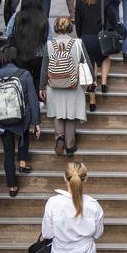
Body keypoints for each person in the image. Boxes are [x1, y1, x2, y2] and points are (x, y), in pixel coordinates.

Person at [0, 46, 41, 197]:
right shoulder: (24, 74)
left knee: (8, 153)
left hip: (2, 121)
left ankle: (12, 186)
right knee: (24, 134)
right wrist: (36, 123)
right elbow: (32, 100)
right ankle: (23, 162)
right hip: (21, 119)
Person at [42, 162, 104, 253]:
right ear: (85, 179)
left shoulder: (52, 203)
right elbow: (98, 234)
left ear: (64, 178)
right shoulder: (94, 206)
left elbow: (47, 234)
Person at [40, 17, 93, 157]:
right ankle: (70, 145)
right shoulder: (78, 43)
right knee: (71, 115)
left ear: (56, 28)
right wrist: (92, 80)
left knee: (57, 112)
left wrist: (41, 87)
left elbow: (44, 68)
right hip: (73, 85)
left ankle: (59, 137)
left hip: (53, 84)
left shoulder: (49, 44)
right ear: (70, 27)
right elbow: (87, 63)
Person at [75, 0, 116, 111]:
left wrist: (81, 36)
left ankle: (92, 101)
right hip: (100, 38)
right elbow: (113, 18)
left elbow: (78, 24)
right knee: (105, 58)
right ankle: (103, 83)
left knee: (91, 68)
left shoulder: (80, 1)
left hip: (86, 38)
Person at [10, 0, 50, 97]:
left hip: (21, 53)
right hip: (39, 55)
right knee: (38, 78)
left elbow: (8, 32)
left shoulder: (17, 17)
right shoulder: (43, 17)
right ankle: (38, 99)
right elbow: (49, 38)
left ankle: (25, 98)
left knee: (23, 78)